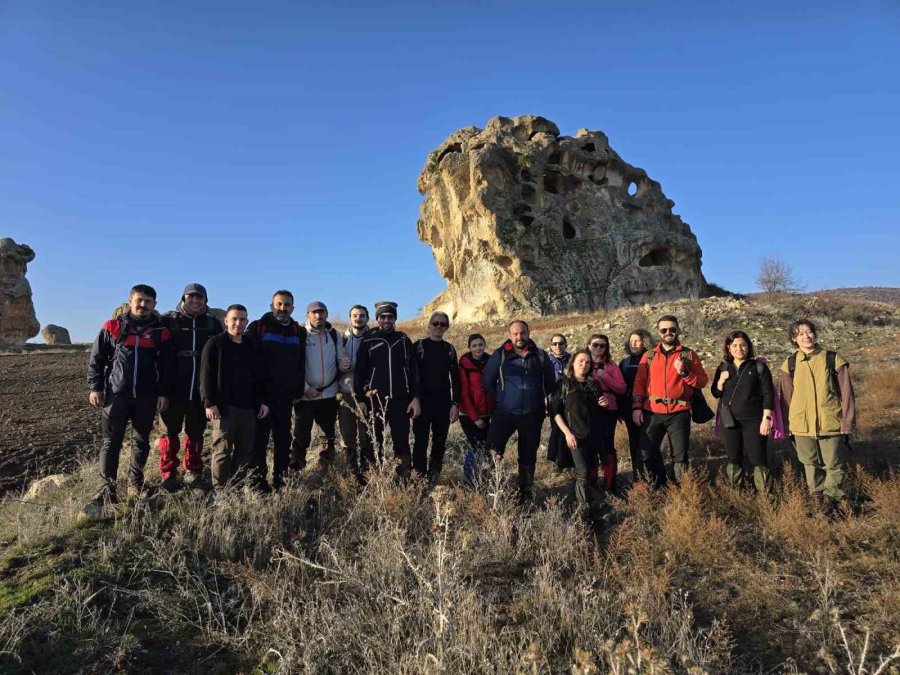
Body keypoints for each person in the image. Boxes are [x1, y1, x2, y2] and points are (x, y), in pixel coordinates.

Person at [84, 284, 174, 514]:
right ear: (130, 300)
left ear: (154, 304)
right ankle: (107, 489)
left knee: (141, 440)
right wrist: (96, 388)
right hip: (116, 395)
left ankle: (135, 482)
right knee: (110, 443)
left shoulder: (159, 331)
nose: (143, 305)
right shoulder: (113, 326)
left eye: (148, 301)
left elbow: (166, 366)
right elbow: (96, 359)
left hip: (146, 396)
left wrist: (163, 393)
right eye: (139, 300)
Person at [779, 319, 856, 513]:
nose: (806, 336)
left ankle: (831, 501)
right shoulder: (789, 364)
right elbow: (785, 399)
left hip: (830, 422)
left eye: (809, 332)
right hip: (801, 425)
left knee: (835, 465)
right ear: (793, 339)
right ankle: (818, 501)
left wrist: (847, 422)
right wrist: (787, 426)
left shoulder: (832, 359)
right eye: (800, 333)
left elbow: (847, 394)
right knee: (810, 464)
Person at [157, 283, 223, 492]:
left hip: (200, 389)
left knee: (195, 433)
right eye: (190, 297)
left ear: (205, 300)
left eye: (199, 298)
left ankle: (192, 471)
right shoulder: (169, 320)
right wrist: (161, 390)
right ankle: (168, 473)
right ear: (183, 298)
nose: (195, 301)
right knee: (169, 433)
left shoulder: (212, 323)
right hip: (173, 388)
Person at [631, 315, 709, 489]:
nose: (668, 332)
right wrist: (637, 407)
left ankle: (681, 490)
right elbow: (640, 383)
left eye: (672, 329)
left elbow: (703, 381)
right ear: (658, 332)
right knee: (646, 452)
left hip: (679, 412)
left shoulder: (688, 354)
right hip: (652, 412)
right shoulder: (649, 356)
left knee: (680, 456)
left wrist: (685, 373)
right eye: (664, 330)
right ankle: (657, 485)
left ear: (678, 330)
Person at [483, 320, 557, 504]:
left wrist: (538, 399)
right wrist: (502, 399)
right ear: (510, 335)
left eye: (522, 333)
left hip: (532, 414)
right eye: (515, 333)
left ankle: (525, 493)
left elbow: (549, 382)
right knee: (493, 450)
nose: (519, 337)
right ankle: (494, 490)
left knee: (528, 454)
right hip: (504, 413)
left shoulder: (539, 355)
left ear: (528, 332)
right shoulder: (500, 355)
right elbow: (488, 382)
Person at [200, 304, 269, 496]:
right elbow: (205, 376)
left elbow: (259, 376)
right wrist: (209, 403)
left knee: (244, 451)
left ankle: (236, 489)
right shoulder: (215, 343)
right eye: (235, 319)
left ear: (247, 321)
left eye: (243, 319)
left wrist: (262, 401)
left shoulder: (251, 345)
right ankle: (220, 492)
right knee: (222, 451)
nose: (238, 323)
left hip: (249, 409)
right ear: (226, 321)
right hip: (223, 408)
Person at [354, 301, 421, 480]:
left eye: (390, 317)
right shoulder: (368, 340)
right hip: (374, 400)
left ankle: (403, 480)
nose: (386, 320)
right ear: (377, 319)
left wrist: (415, 397)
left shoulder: (404, 340)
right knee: (372, 442)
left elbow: (413, 371)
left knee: (402, 441)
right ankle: (371, 481)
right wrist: (360, 399)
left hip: (400, 400)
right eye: (382, 317)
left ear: (394, 318)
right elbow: (359, 371)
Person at [247, 290, 306, 491]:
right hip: (262, 398)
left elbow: (301, 363)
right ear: (271, 305)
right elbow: (250, 364)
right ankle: (258, 483)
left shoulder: (298, 331)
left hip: (286, 398)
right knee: (259, 442)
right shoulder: (258, 327)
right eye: (279, 304)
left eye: (287, 305)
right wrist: (257, 396)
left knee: (283, 441)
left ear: (293, 308)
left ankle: (281, 481)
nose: (283, 308)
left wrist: (298, 391)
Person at [710, 331, 775, 496]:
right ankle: (736, 495)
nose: (739, 349)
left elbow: (768, 394)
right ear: (728, 348)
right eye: (735, 345)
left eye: (743, 345)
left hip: (754, 421)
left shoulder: (759, 367)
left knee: (758, 459)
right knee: (733, 458)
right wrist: (720, 381)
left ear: (748, 346)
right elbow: (715, 393)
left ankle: (766, 497)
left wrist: (766, 419)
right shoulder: (723, 367)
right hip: (729, 421)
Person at [290, 301, 350, 472]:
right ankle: (296, 471)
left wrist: (344, 363)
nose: (318, 316)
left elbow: (341, 357)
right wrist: (305, 388)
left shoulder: (334, 335)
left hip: (329, 395)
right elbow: (294, 366)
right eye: (314, 313)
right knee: (301, 435)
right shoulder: (300, 335)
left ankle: (325, 470)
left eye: (321, 312)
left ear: (326, 314)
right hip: (306, 395)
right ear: (307, 315)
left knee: (327, 435)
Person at [550, 349, 604, 513]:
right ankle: (583, 508)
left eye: (588, 362)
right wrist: (567, 433)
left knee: (592, 469)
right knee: (582, 471)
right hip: (575, 435)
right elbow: (556, 412)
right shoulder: (564, 384)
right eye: (581, 361)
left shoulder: (594, 384)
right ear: (573, 363)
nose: (584, 364)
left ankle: (593, 500)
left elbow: (598, 410)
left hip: (593, 435)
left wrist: (604, 403)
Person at [412, 311, 461, 484]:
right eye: (435, 323)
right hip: (422, 402)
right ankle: (418, 480)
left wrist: (455, 404)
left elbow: (456, 379)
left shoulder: (449, 349)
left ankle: (433, 477)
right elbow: (412, 375)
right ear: (429, 325)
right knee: (420, 442)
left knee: (439, 443)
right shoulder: (418, 346)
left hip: (443, 403)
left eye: (442, 324)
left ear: (446, 328)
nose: (438, 327)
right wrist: (414, 398)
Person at [587, 334, 627, 493]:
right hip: (587, 409)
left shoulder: (611, 366)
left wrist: (606, 377)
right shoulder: (583, 362)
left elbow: (622, 388)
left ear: (606, 348)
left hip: (608, 410)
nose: (598, 348)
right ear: (589, 345)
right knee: (590, 445)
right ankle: (591, 483)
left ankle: (610, 484)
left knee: (607, 445)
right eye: (595, 345)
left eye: (602, 346)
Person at [338, 304, 372, 480]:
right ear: (350, 318)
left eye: (362, 315)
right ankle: (352, 474)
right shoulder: (340, 339)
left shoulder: (373, 338)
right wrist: (339, 366)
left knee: (366, 435)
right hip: (345, 394)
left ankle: (367, 473)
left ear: (367, 318)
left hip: (367, 395)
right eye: (355, 315)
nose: (358, 318)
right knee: (347, 436)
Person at [619, 329, 652, 482]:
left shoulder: (653, 359)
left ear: (645, 342)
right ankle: (638, 477)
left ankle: (652, 476)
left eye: (637, 340)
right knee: (634, 443)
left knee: (649, 443)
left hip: (650, 407)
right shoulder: (624, 363)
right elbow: (620, 388)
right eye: (631, 340)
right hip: (629, 409)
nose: (633, 343)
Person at [458, 334, 494, 453]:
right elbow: (464, 394)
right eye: (474, 346)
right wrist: (475, 419)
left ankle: (487, 471)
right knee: (477, 449)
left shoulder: (491, 362)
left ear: (484, 345)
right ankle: (470, 472)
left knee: (488, 449)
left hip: (487, 414)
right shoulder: (464, 364)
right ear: (469, 348)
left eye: (480, 345)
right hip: (469, 416)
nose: (478, 348)